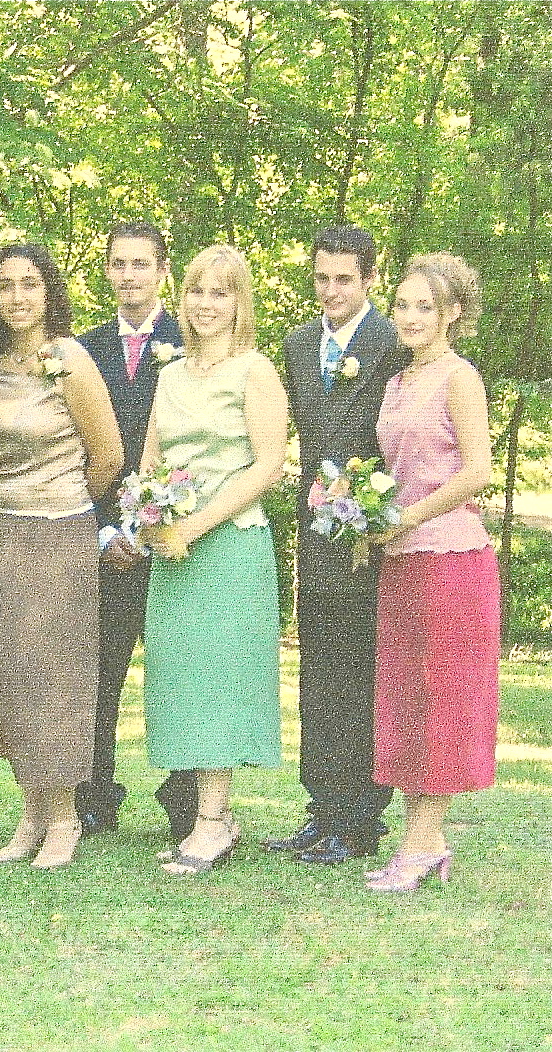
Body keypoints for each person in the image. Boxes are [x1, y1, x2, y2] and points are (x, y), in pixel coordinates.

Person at [138, 245, 289, 876]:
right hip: (173, 551)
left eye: (221, 292)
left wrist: (197, 523)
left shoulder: (255, 371)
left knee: (220, 675)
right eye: (198, 291)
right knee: (181, 677)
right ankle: (213, 816)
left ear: (239, 302)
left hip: (230, 543)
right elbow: (147, 465)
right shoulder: (169, 375)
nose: (207, 304)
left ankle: (211, 821)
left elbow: (270, 465)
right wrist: (150, 524)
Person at [0, 245, 123, 869]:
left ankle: (65, 817)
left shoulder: (69, 359)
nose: (18, 298)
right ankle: (31, 815)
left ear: (49, 292)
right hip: (5, 531)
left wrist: (63, 501)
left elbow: (108, 456)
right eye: (5, 286)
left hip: (62, 533)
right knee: (13, 671)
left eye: (30, 284)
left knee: (59, 674)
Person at [265, 226, 405, 865]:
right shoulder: (298, 345)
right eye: (321, 278)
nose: (330, 290)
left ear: (369, 279)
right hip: (314, 528)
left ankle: (359, 818)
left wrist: (378, 506)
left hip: (371, 531)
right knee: (318, 668)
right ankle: (321, 807)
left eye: (343, 279)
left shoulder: (391, 344)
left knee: (361, 674)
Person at [366, 252, 498, 892]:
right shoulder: (396, 381)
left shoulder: (459, 378)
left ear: (453, 313)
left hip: (451, 561)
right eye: (402, 305)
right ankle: (427, 838)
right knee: (410, 702)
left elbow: (478, 471)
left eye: (426, 306)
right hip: (400, 562)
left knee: (444, 703)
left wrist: (408, 515)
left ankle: (416, 848)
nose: (411, 317)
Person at [75, 222, 196, 838]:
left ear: (163, 270)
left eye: (141, 264)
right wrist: (105, 529)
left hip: (176, 534)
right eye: (119, 263)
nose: (130, 275)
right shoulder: (79, 348)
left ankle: (186, 802)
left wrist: (154, 522)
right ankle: (93, 795)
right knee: (99, 669)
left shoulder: (192, 340)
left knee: (179, 670)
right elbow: (72, 444)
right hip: (101, 538)